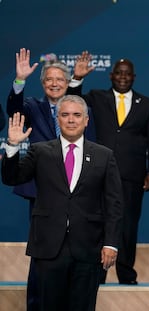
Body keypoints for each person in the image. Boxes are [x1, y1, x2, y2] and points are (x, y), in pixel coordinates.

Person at [1, 95, 123, 311]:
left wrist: (111, 243)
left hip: (88, 247)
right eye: (65, 115)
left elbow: (114, 204)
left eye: (77, 115)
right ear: (57, 120)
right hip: (48, 247)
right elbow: (12, 178)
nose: (71, 120)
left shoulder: (104, 156)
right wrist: (12, 146)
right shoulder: (40, 151)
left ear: (86, 120)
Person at [6, 48, 95, 311]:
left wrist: (78, 81)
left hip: (76, 189)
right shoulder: (32, 106)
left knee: (75, 251)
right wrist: (20, 80)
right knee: (43, 252)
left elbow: (77, 105)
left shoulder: (78, 109)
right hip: (41, 190)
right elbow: (14, 108)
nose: (54, 83)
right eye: (49, 80)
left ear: (67, 83)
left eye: (60, 79)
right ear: (42, 84)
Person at [67, 52, 149, 285]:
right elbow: (70, 103)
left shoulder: (147, 104)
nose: (122, 77)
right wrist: (76, 79)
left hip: (132, 175)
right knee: (98, 223)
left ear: (134, 77)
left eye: (127, 74)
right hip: (98, 172)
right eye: (118, 73)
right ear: (111, 76)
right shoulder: (96, 97)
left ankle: (126, 274)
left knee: (128, 225)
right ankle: (97, 274)